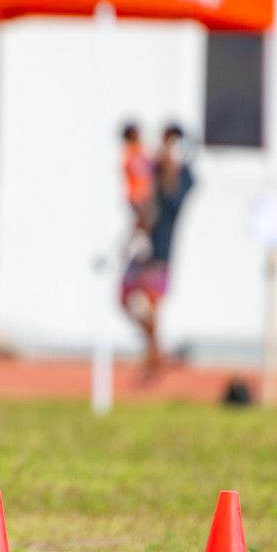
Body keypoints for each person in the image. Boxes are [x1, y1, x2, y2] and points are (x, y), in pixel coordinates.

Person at [120, 123, 195, 378]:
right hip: (146, 250)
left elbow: (172, 188)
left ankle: (155, 350)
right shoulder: (153, 174)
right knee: (125, 297)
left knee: (151, 301)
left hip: (161, 253)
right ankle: (155, 348)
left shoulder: (182, 179)